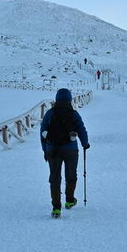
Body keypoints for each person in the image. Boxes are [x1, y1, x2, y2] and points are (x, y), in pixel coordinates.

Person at [40, 88, 90, 218]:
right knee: (71, 174)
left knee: (55, 177)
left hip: (53, 149)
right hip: (70, 148)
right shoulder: (73, 114)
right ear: (69, 99)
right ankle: (69, 200)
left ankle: (56, 208)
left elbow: (43, 131)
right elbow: (81, 129)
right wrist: (85, 144)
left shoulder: (50, 113)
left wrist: (45, 150)